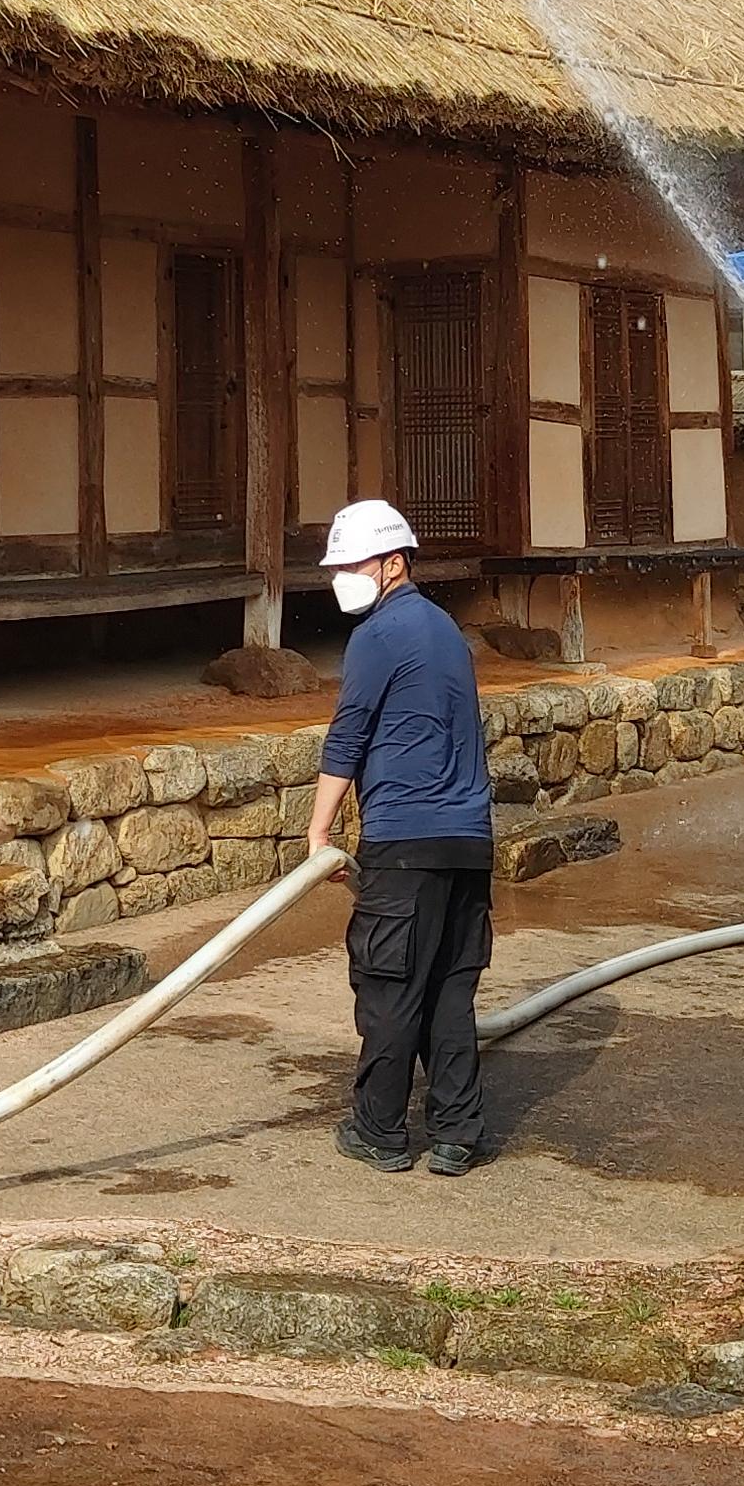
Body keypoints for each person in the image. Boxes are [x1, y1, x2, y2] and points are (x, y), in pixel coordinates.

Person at [305, 496, 494, 1177]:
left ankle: (380, 1132)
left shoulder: (378, 636)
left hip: (404, 840)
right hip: (468, 841)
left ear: (392, 564)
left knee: (389, 989)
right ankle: (456, 1135)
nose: (341, 579)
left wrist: (319, 830)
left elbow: (348, 735)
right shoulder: (446, 631)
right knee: (449, 989)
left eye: (351, 565)